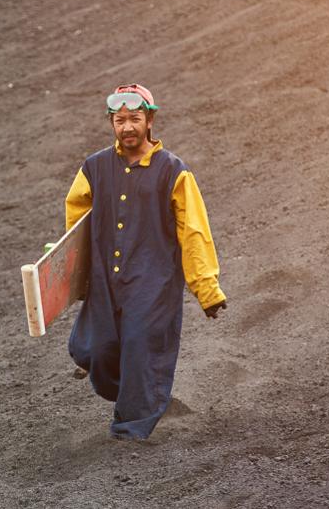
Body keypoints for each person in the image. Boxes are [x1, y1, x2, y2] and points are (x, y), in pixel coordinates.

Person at [65, 83, 226, 440]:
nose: (127, 127)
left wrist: (207, 289)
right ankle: (139, 394)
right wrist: (74, 275)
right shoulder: (93, 168)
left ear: (150, 120)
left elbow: (194, 231)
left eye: (135, 119)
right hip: (106, 277)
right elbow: (75, 221)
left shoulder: (174, 171)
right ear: (111, 122)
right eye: (119, 120)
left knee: (139, 346)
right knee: (93, 347)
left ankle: (131, 428)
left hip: (153, 281)